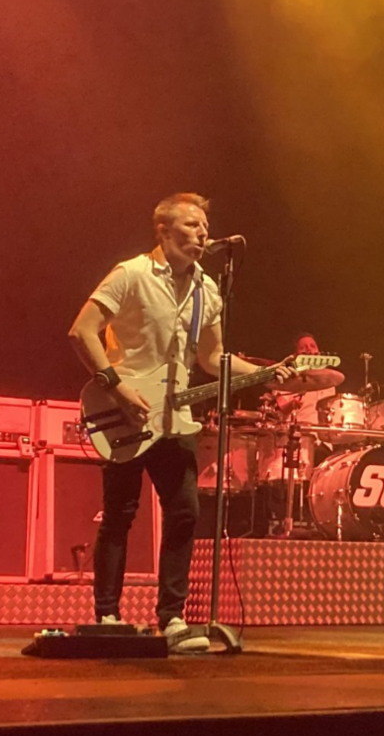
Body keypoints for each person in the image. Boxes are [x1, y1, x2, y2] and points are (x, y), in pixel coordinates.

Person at [68, 192, 290, 652]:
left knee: (185, 512)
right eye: (190, 226)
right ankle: (107, 614)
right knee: (120, 516)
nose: (202, 233)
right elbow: (81, 330)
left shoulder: (206, 289)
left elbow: (212, 358)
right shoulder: (131, 274)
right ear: (163, 231)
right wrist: (115, 386)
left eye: (204, 226)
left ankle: (172, 618)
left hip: (177, 418)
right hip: (127, 411)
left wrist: (271, 373)